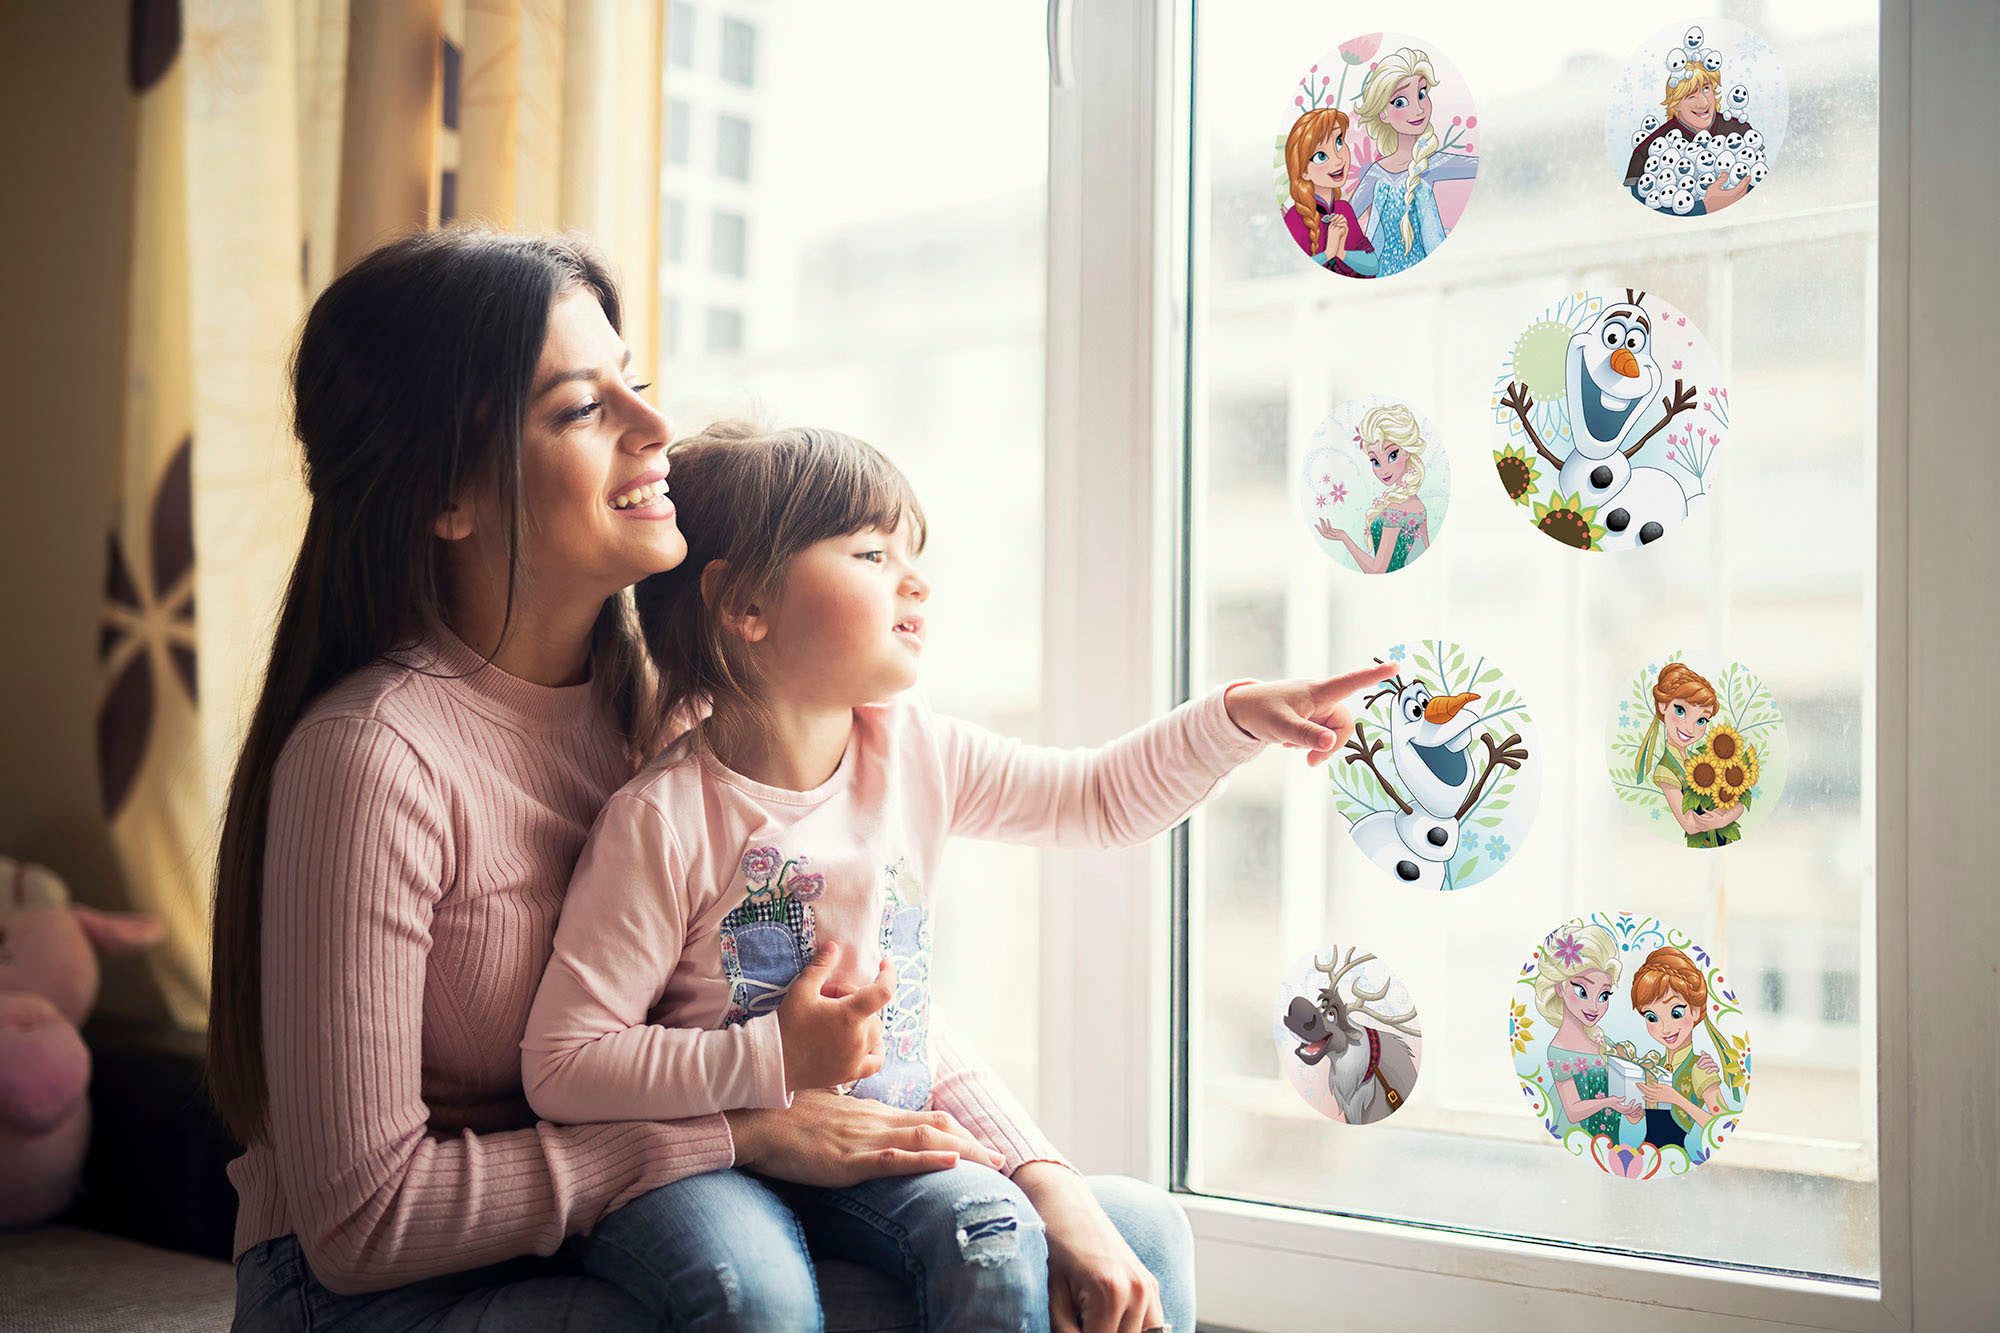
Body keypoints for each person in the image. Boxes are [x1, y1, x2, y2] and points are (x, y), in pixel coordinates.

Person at [207, 228, 1155, 1329]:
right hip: (379, 1287)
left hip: (609, 1223)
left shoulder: (678, 713)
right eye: (580, 408)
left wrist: (1041, 1173)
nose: (655, 429)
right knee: (754, 1298)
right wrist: (736, 1130)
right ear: (448, 496)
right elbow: (364, 1222)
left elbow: (841, 993)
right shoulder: (373, 757)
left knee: (1122, 1239)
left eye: (636, 384)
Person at [519, 420, 1399, 1331]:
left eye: (912, 554)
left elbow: (1096, 798)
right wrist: (770, 1057)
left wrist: (1235, 718)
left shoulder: (913, 749)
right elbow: (563, 1064)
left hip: (879, 1143)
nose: (916, 581)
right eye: (872, 553)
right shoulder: (662, 819)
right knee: (751, 1295)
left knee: (995, 1234)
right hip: (710, 1162)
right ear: (745, 604)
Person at [1348, 47, 1478, 277]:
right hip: (1382, 276)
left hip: (1427, 276)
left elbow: (1477, 167)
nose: (1417, 109)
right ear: (1383, 113)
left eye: (1421, 94)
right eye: (1400, 102)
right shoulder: (1376, 175)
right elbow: (1345, 218)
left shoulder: (1433, 164)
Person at [1532, 925, 1643, 1142]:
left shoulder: (1601, 1039)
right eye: (1582, 991)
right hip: (1577, 1137)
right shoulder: (1559, 1050)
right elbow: (1572, 1111)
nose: (1594, 1007)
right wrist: (1610, 1102)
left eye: (1603, 996)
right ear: (1560, 987)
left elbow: (1621, 1089)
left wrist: (1632, 1108)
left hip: (1607, 1135)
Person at [1629, 947, 1732, 1152]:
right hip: (1646, 1155)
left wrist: (1676, 1099)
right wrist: (1634, 1113)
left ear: (1694, 1011)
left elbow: (1722, 1125)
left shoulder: (1700, 1068)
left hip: (1675, 1158)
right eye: (1652, 1017)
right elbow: (1645, 1120)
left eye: (1676, 1013)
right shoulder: (1656, 1066)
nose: (1665, 1029)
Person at [1634, 662, 1747, 848]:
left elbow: (1738, 802)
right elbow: (1691, 825)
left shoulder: (1700, 759)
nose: (1690, 728)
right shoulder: (1666, 770)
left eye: (1701, 720)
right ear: (1663, 706)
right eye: (1681, 711)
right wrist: (1723, 817)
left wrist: (1724, 816)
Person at [1313, 403, 1432, 572]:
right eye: (1375, 461)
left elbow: (1377, 571)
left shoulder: (1395, 510)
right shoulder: (1419, 507)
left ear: (1406, 451)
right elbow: (1426, 552)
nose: (1383, 469)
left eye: (1392, 455)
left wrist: (1344, 538)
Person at [1281, 105, 1378, 277]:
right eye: (1321, 156)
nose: (1338, 159)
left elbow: (1372, 265)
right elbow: (1295, 274)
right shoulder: (1295, 218)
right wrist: (1329, 252)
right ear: (1303, 171)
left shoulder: (1343, 209)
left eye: (1339, 142)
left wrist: (1342, 253)